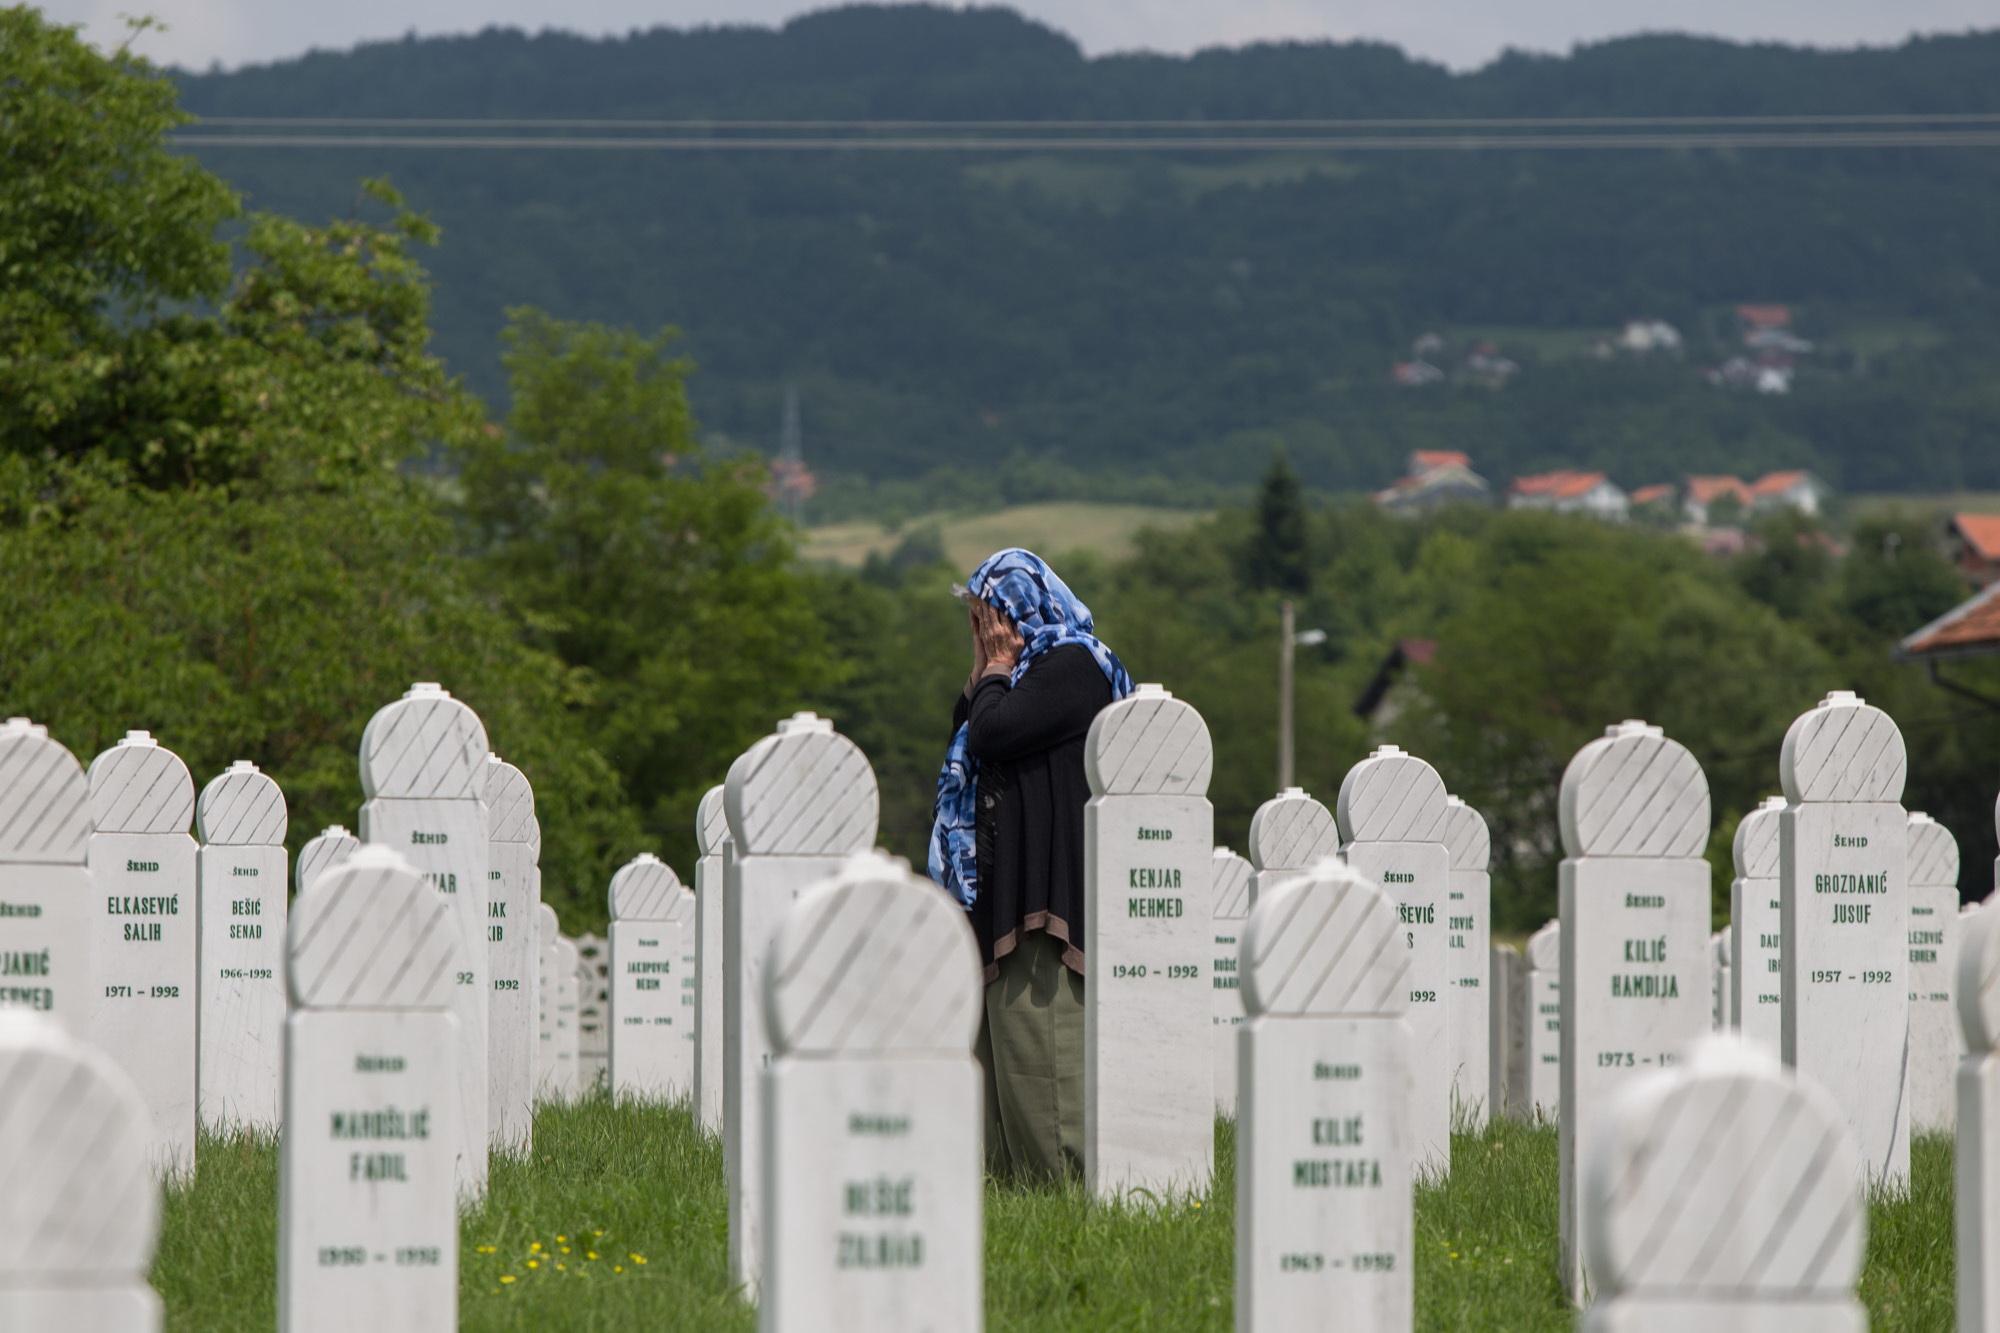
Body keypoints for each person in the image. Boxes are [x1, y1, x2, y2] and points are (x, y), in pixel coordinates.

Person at [930, 548, 1133, 1182]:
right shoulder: (1020, 672)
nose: (986, 633)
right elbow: (969, 725)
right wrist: (984, 670)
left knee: (1040, 1063)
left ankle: (1063, 1203)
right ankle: (1014, 1199)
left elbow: (993, 735)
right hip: (1000, 894)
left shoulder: (1074, 666)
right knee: (998, 1072)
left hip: (1042, 900)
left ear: (1021, 608)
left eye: (989, 617)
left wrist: (994, 667)